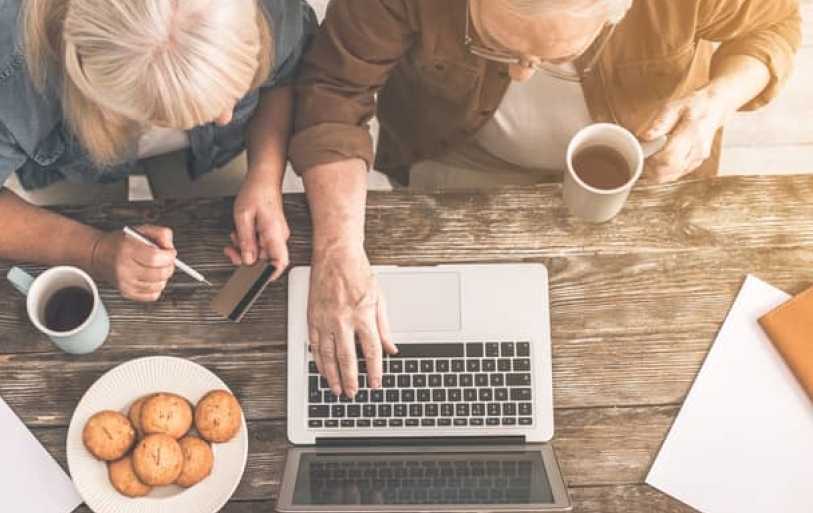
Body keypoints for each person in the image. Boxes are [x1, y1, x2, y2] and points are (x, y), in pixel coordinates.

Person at [288, 0, 801, 397]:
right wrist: (337, 250)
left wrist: (716, 102)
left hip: (646, 174)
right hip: (458, 157)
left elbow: (773, 26)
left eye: (550, 59)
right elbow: (332, 91)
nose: (521, 75)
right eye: (495, 47)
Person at [0, 0, 316, 302]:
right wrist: (93, 250)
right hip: (70, 164)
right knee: (80, 204)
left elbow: (285, 77)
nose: (228, 116)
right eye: (172, 115)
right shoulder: (16, 79)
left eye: (239, 87)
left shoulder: (270, 8)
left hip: (212, 154)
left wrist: (264, 175)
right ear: (93, 91)